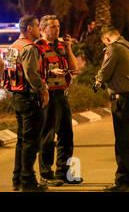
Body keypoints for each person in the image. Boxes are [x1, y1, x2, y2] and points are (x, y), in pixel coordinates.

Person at [94, 25, 129, 192]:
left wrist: (97, 82)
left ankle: (127, 182)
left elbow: (105, 72)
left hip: (122, 101)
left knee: (123, 143)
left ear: (106, 39)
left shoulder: (113, 48)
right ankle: (127, 179)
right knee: (127, 141)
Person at [1, 15, 49, 191]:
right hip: (30, 98)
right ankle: (28, 182)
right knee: (31, 142)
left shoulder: (14, 46)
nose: (39, 29)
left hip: (18, 97)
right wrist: (43, 89)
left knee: (22, 141)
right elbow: (31, 74)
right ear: (29, 28)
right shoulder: (29, 48)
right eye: (37, 26)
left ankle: (18, 179)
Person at [35, 15, 82, 186]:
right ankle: (46, 174)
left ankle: (64, 171)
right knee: (47, 136)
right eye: (52, 26)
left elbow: (74, 67)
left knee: (66, 134)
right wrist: (50, 74)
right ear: (43, 29)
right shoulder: (38, 47)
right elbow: (33, 73)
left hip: (62, 94)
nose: (56, 29)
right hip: (47, 95)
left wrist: (68, 48)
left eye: (58, 26)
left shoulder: (61, 46)